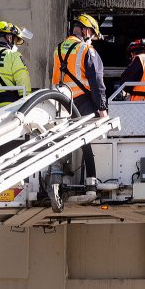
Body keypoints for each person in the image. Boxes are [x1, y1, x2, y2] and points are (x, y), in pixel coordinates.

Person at [51, 13, 108, 183]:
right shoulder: (86, 49)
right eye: (91, 34)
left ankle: (64, 173)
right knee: (87, 141)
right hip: (83, 103)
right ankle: (91, 179)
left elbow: (56, 78)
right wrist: (102, 108)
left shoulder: (58, 48)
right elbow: (97, 82)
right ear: (85, 31)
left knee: (66, 139)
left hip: (62, 104)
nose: (91, 39)